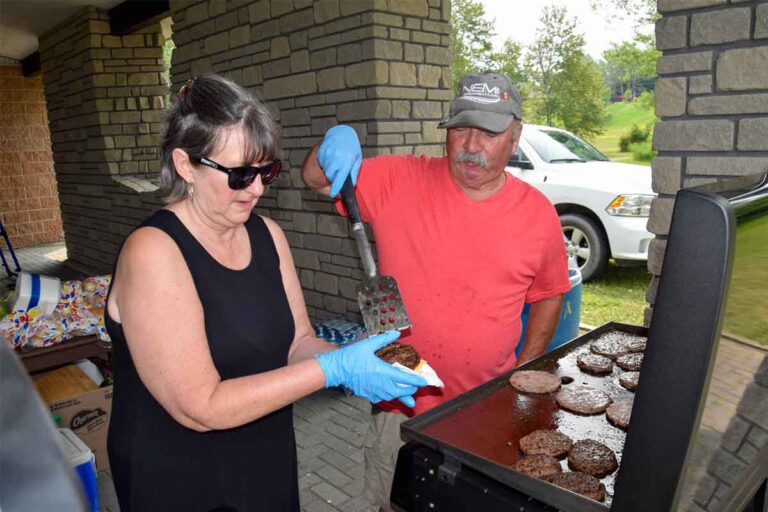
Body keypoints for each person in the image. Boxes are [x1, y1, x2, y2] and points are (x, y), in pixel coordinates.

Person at [105, 74, 427, 512]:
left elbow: (296, 343)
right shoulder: (153, 252)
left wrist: (357, 360)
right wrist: (333, 370)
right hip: (179, 474)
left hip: (263, 456)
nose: (256, 188)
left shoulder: (267, 235)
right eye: (240, 174)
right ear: (185, 165)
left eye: (266, 171)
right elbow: (201, 406)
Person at [301, 71, 570, 510]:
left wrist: (524, 371)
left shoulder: (537, 215)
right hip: (399, 411)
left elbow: (549, 293)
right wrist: (330, 141)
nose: (470, 145)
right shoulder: (398, 179)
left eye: (488, 133)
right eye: (461, 128)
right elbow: (316, 178)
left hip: (484, 413)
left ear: (515, 137)